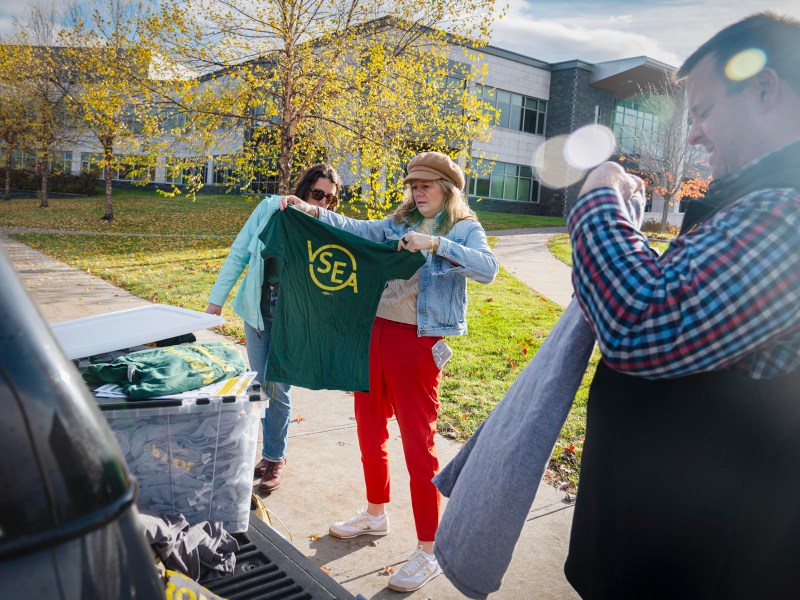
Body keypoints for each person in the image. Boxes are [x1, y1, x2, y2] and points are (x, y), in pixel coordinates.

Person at [563, 12, 800, 599]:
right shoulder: (756, 203)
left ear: (766, 89)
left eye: (704, 112)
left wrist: (600, 198)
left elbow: (641, 322)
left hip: (699, 563)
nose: (692, 135)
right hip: (672, 545)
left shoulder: (786, 217)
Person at [280, 151, 498, 592]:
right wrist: (311, 209)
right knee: (368, 429)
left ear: (447, 189)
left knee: (419, 446)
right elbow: (359, 230)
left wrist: (436, 244)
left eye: (426, 186)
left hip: (417, 344)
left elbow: (488, 270)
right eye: (414, 186)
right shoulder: (400, 219)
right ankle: (375, 515)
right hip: (373, 333)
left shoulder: (463, 227)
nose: (418, 193)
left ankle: (428, 548)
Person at [206, 164, 343, 493]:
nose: (323, 203)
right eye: (318, 194)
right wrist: (215, 301)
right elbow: (240, 253)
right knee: (262, 386)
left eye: (331, 199)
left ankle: (276, 457)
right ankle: (268, 455)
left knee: (277, 386)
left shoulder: (327, 226)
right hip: (258, 308)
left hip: (293, 316)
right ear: (304, 188)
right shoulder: (269, 209)